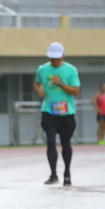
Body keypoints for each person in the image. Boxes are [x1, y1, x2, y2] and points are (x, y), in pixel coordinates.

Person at [34, 42, 81, 186]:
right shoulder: (42, 70)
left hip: (66, 113)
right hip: (49, 111)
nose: (54, 61)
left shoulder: (71, 70)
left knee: (66, 143)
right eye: (52, 58)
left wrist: (61, 83)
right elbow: (37, 82)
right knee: (50, 142)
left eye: (57, 58)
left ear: (63, 56)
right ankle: (53, 174)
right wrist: (39, 90)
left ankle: (67, 173)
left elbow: (75, 91)